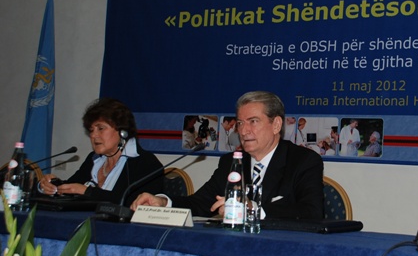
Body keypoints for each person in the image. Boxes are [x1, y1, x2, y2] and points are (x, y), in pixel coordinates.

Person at [131, 91, 325, 219]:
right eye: (240, 123)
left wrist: (252, 209)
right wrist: (164, 202)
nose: (243, 131)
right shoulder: (231, 162)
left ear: (276, 125)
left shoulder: (303, 161)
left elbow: (312, 211)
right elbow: (201, 203)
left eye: (253, 121)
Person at [38, 98, 164, 206]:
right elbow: (73, 186)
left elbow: (135, 203)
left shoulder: (146, 162)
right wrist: (51, 186)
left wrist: (87, 192)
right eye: (91, 130)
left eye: (101, 128)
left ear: (122, 131)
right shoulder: (94, 159)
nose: (93, 135)